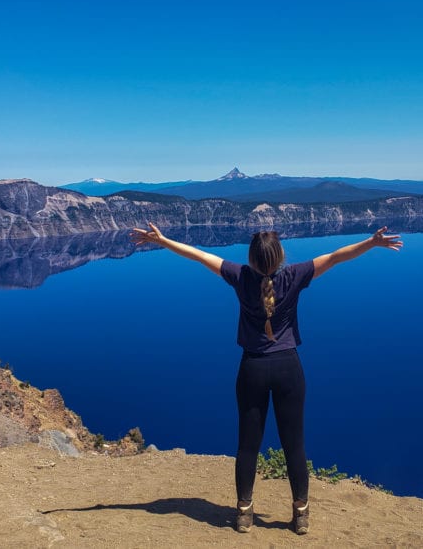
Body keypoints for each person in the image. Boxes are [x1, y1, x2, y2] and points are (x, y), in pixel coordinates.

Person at [130, 223, 403, 534]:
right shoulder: (295, 275)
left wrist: (163, 240)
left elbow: (199, 256)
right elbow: (337, 257)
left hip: (252, 369)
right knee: (294, 446)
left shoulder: (240, 277)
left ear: (251, 258)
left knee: (248, 446)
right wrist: (372, 242)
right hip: (289, 369)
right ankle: (300, 514)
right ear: (281, 256)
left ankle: (244, 514)